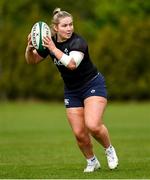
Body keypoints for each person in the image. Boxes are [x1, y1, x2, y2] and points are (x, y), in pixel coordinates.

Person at [25, 8, 118, 173]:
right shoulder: (49, 41)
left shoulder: (78, 42)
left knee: (93, 125)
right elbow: (32, 61)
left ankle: (109, 149)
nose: (69, 28)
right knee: (79, 134)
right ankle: (92, 162)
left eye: (71, 24)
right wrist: (29, 48)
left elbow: (72, 64)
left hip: (92, 85)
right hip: (72, 91)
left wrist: (53, 48)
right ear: (55, 28)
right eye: (65, 25)